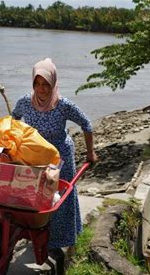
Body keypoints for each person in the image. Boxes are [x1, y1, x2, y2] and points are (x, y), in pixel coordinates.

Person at [11, 58, 98, 250]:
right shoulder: (25, 102)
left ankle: (61, 239)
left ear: (53, 83)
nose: (41, 89)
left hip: (60, 156)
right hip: (34, 154)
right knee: (34, 195)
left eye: (46, 84)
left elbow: (86, 124)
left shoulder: (63, 104)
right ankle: (36, 232)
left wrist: (90, 152)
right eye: (37, 84)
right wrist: (15, 140)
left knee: (60, 195)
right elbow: (14, 118)